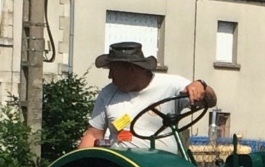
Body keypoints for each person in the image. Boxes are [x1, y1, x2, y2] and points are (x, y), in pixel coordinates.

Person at [78, 41, 217, 154]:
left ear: (130, 69)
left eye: (113, 71)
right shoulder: (107, 93)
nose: (110, 76)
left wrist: (201, 86)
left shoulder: (172, 85)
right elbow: (94, 135)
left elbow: (210, 101)